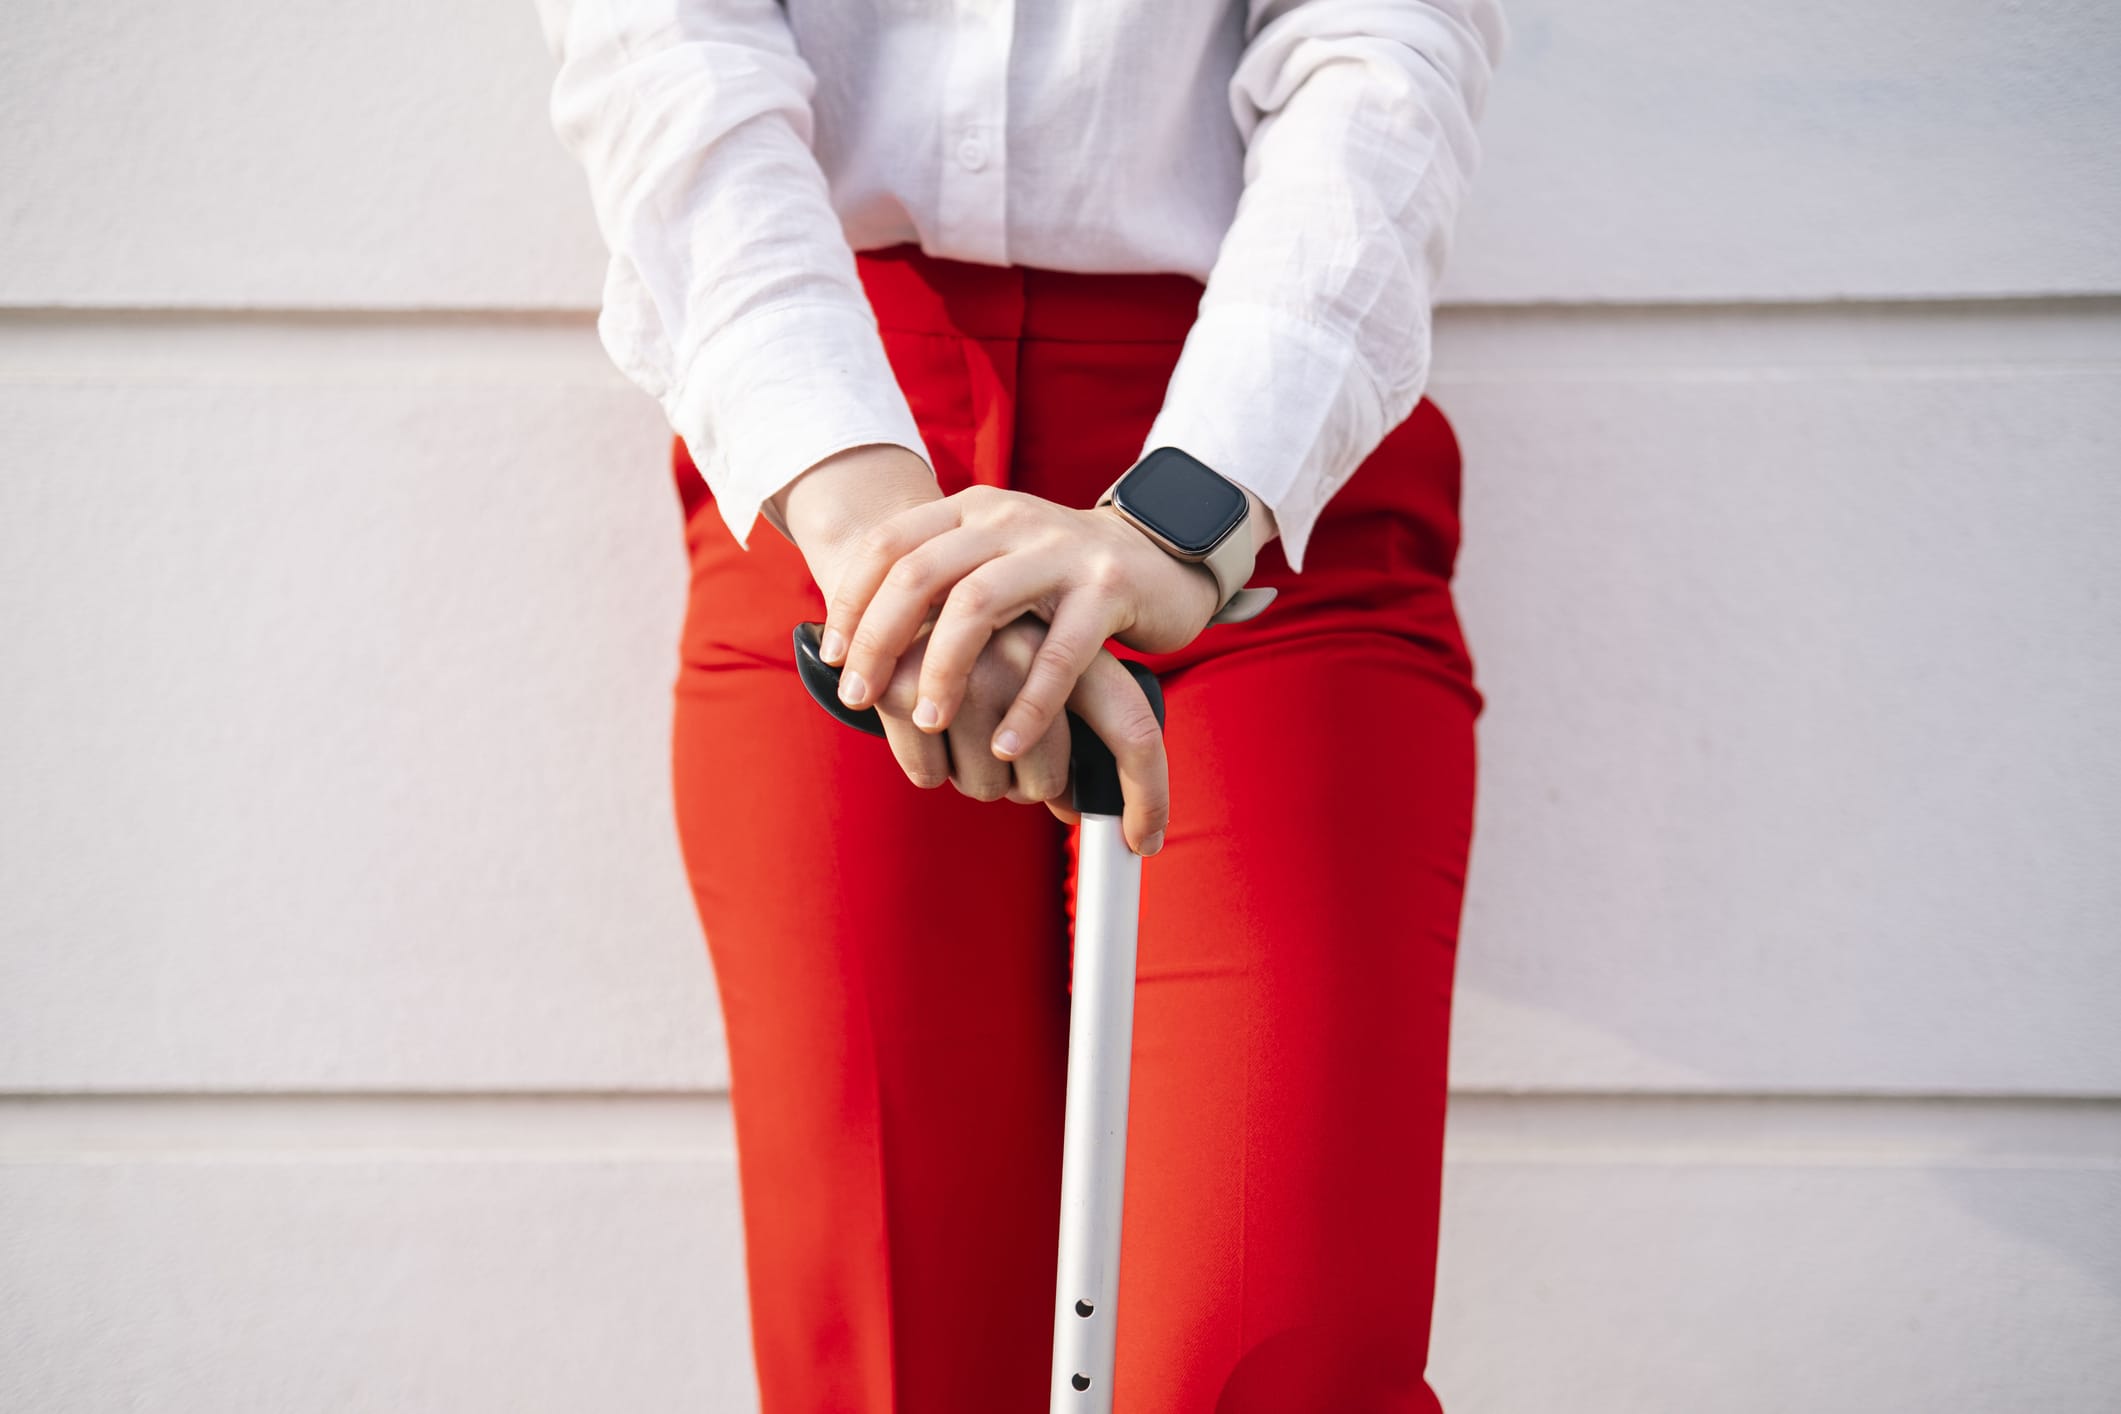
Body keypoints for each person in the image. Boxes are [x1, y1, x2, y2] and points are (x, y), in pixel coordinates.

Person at [537, 1, 1505, 1407]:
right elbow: (667, 53)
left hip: (1261, 456)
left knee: (1272, 1359)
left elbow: (1381, 54)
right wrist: (872, 532)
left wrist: (1186, 511)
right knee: (894, 1347)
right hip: (837, 444)